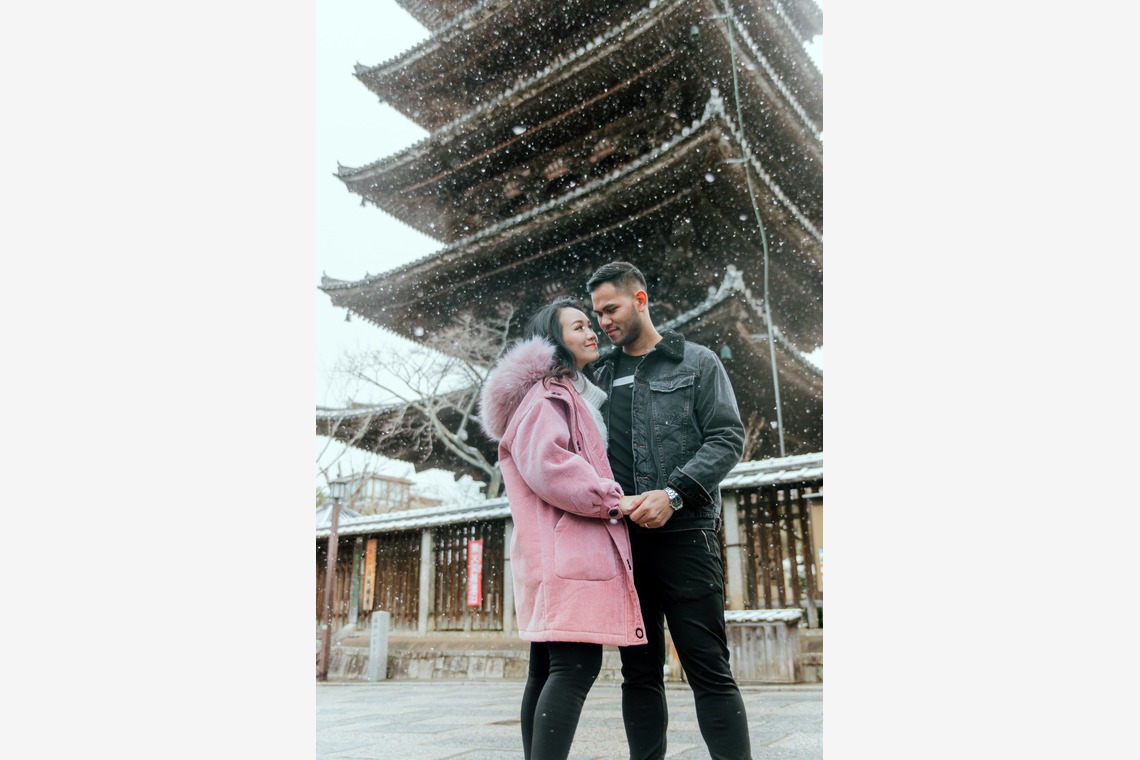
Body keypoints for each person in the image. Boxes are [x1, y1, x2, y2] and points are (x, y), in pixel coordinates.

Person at [587, 261, 752, 760]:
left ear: (640, 300)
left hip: (688, 537)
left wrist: (674, 493)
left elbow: (728, 437)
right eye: (596, 315)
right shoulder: (596, 378)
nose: (603, 322)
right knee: (637, 673)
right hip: (623, 544)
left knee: (708, 668)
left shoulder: (698, 363)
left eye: (611, 308)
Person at [478, 296, 646, 760]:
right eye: (577, 327)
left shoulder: (566, 394)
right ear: (554, 340)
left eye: (590, 324)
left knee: (549, 669)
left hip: (554, 546)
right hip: (567, 546)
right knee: (574, 666)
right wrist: (614, 499)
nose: (591, 331)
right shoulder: (548, 395)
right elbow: (550, 467)